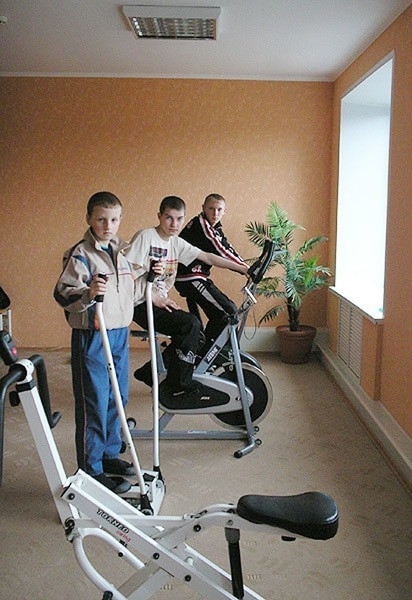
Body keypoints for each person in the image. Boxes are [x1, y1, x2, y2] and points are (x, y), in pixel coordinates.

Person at [125, 195, 248, 405]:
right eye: (169, 218)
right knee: (189, 324)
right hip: (139, 303)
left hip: (157, 301)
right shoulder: (146, 237)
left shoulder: (175, 242)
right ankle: (179, 386)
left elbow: (208, 257)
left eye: (179, 219)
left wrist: (244, 269)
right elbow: (125, 275)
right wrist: (152, 296)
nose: (174, 224)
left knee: (197, 335)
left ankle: (149, 372)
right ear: (159, 216)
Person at [54, 191, 137, 495]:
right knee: (95, 403)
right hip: (92, 335)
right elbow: (63, 294)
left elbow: (129, 292)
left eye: (113, 219)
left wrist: (151, 281)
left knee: (118, 397)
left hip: (119, 334)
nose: (108, 226)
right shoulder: (80, 254)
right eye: (101, 219)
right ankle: (91, 469)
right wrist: (88, 293)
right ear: (89, 218)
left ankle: (109, 454)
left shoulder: (121, 251)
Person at [175, 193, 247, 351]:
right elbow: (220, 251)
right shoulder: (202, 225)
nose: (215, 213)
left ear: (224, 211)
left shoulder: (215, 228)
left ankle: (204, 349)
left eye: (219, 209)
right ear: (203, 208)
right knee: (228, 312)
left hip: (197, 277)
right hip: (188, 277)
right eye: (211, 209)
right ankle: (207, 352)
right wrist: (245, 270)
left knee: (224, 311)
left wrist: (245, 267)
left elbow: (227, 247)